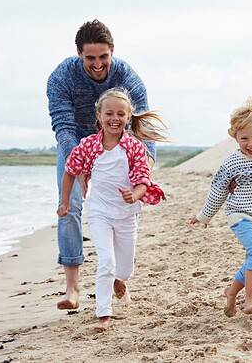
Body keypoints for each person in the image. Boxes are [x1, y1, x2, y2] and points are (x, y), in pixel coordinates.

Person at [47, 19, 156, 310]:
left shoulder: (126, 75)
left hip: (120, 144)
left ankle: (120, 277)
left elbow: (140, 123)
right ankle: (72, 288)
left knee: (128, 206)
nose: (97, 64)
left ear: (112, 52)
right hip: (78, 145)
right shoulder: (61, 77)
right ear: (79, 54)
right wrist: (81, 165)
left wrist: (144, 165)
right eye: (90, 58)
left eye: (103, 57)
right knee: (68, 207)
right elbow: (63, 126)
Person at [57, 88, 167, 332]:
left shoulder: (135, 148)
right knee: (106, 260)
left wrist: (134, 195)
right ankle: (103, 313)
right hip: (99, 212)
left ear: (128, 117)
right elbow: (69, 171)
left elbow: (142, 179)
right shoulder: (88, 146)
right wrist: (64, 202)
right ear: (99, 115)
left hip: (127, 214)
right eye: (109, 113)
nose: (114, 118)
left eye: (120, 114)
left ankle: (120, 280)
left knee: (125, 268)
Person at [189, 98, 252, 316]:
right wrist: (204, 216)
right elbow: (218, 190)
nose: (251, 143)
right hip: (239, 215)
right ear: (235, 136)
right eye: (244, 138)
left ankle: (231, 292)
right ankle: (250, 301)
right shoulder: (231, 163)